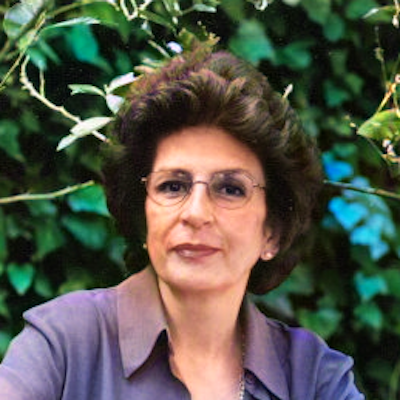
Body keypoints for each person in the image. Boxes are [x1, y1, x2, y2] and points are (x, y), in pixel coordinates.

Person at [0, 43, 364, 400]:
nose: (195, 213)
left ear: (273, 232)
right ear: (143, 216)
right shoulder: (64, 343)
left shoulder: (313, 378)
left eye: (231, 189)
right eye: (172, 186)